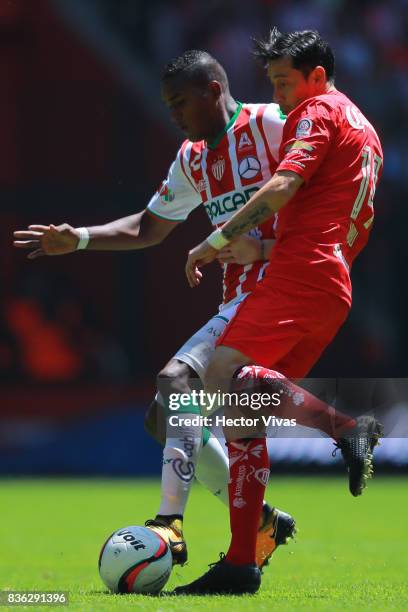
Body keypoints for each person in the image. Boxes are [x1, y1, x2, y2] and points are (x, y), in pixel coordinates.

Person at [13, 49, 297, 570]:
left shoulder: (273, 125)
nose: (173, 115)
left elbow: (328, 186)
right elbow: (149, 226)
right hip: (241, 298)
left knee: (175, 383)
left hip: (281, 287)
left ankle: (169, 524)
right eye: (168, 106)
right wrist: (77, 239)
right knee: (162, 418)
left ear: (213, 90)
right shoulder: (192, 157)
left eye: (180, 103)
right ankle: (260, 522)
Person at [174, 29, 384, 595]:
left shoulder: (316, 112)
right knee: (244, 407)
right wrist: (265, 248)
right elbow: (340, 223)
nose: (281, 96)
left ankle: (344, 427)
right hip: (330, 281)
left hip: (300, 277)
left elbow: (285, 183)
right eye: (272, 84)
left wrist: (215, 241)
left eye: (285, 82)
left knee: (219, 374)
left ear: (318, 76)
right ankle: (243, 562)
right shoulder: (367, 131)